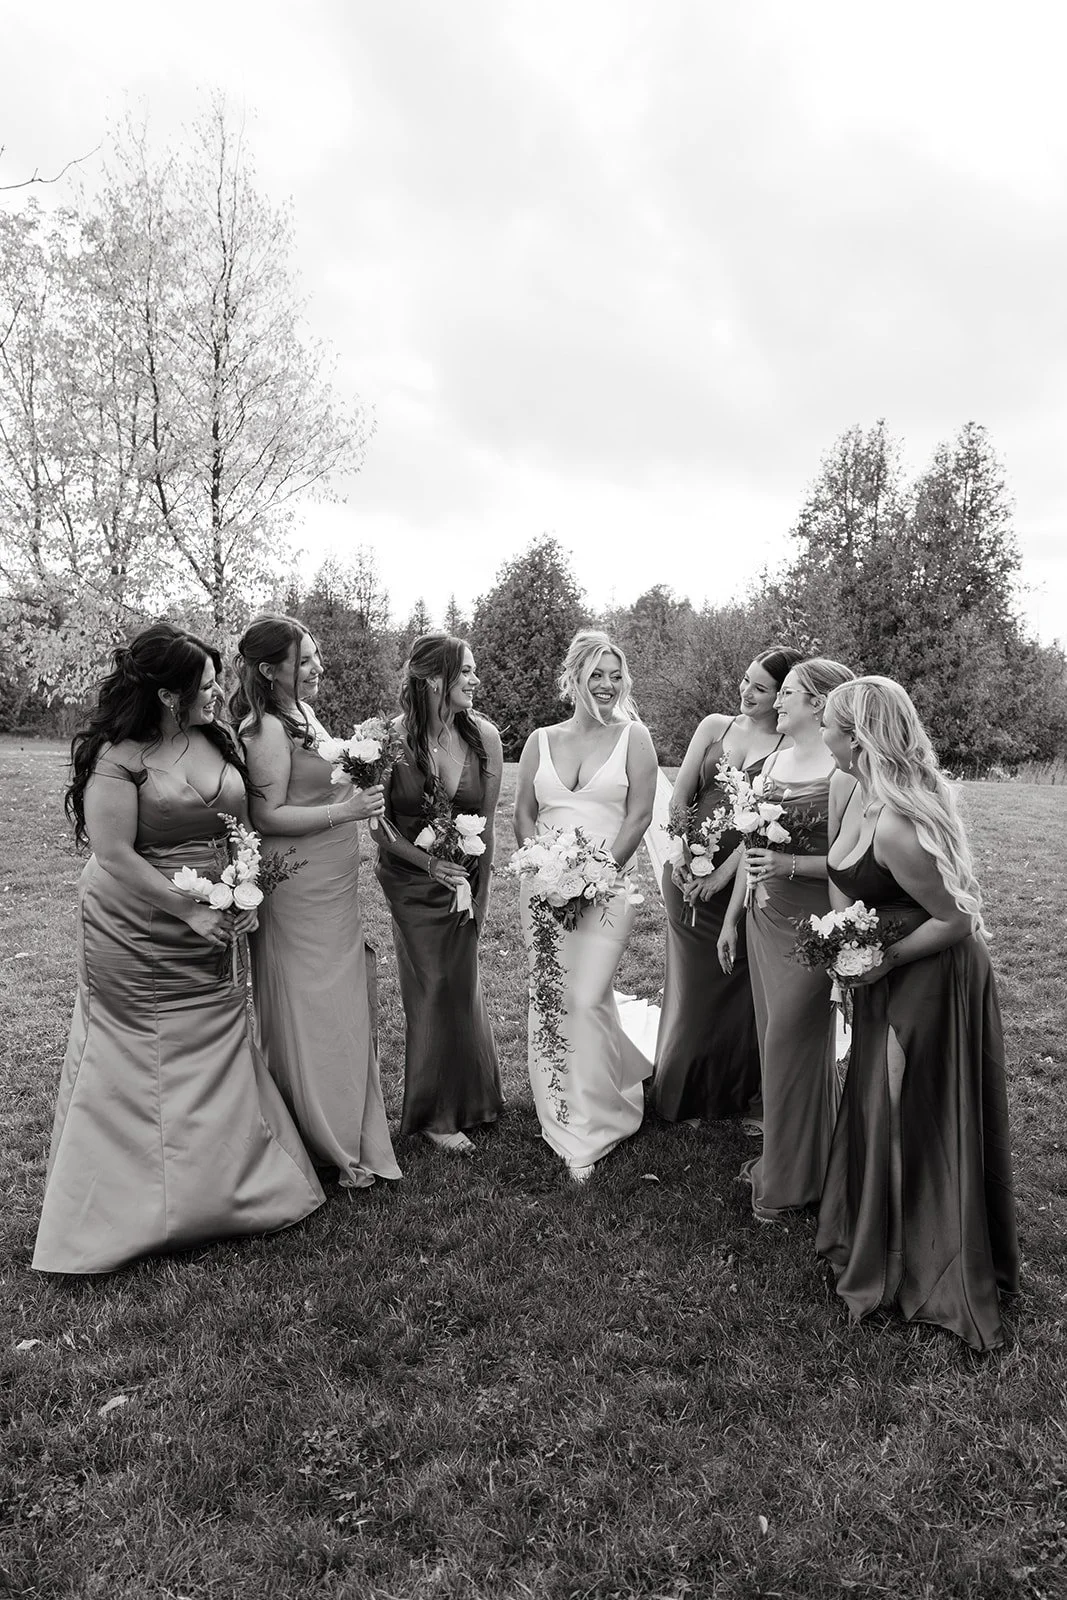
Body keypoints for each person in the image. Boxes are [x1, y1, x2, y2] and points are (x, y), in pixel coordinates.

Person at [33, 624, 325, 1274]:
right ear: (167, 694)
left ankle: (232, 1193)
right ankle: (126, 1213)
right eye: (205, 683)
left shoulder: (213, 738)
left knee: (219, 1035)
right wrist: (187, 912)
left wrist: (244, 893)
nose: (218, 691)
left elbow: (242, 827)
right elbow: (112, 855)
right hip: (135, 923)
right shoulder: (121, 756)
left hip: (216, 909)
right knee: (138, 1054)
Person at [816, 677, 1019, 1350]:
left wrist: (884, 960)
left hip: (931, 969)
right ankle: (886, 1236)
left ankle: (927, 1261)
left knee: (915, 1104)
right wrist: (844, 953)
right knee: (882, 1100)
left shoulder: (899, 820)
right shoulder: (858, 794)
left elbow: (957, 918)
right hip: (891, 964)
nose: (820, 736)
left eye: (827, 726)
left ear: (856, 737)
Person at [232, 615, 401, 1193]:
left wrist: (360, 778)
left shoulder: (301, 715)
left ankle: (347, 1120)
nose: (318, 668)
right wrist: (345, 812)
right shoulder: (264, 730)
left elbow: (319, 781)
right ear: (268, 669)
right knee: (312, 1008)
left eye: (315, 657)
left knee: (343, 1001)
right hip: (296, 889)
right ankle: (321, 1133)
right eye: (304, 660)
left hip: (334, 885)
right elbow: (266, 815)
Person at [514, 630, 658, 1180]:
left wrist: (595, 877)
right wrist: (541, 868)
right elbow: (524, 812)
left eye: (615, 674)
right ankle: (563, 1118)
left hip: (608, 889)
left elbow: (639, 816)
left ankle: (604, 1116)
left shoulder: (633, 737)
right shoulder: (540, 740)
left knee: (587, 995)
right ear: (573, 677)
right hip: (543, 891)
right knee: (551, 998)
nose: (606, 684)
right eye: (595, 673)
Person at [718, 657, 854, 1222]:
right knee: (773, 1039)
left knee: (791, 1046)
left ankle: (791, 1177)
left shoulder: (843, 771)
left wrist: (789, 863)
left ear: (818, 703)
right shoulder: (772, 759)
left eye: (788, 693)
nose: (776, 701)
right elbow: (751, 854)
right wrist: (731, 917)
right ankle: (804, 1158)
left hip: (813, 926)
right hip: (762, 917)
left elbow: (851, 862)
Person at [652, 646, 803, 1127]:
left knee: (735, 987)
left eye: (760, 688)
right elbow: (681, 794)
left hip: (741, 879)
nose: (746, 692)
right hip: (684, 873)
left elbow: (758, 825)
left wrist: (719, 877)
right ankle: (686, 1088)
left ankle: (733, 1091)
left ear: (782, 695)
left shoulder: (788, 749)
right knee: (691, 985)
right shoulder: (715, 726)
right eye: (745, 680)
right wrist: (681, 855)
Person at [376, 634, 504, 1154]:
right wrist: (430, 864)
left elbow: (489, 824)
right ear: (434, 680)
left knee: (461, 985)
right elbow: (378, 827)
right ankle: (434, 1113)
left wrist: (483, 891)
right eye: (466, 672)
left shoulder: (485, 738)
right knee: (432, 987)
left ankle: (475, 1099)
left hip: (465, 884)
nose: (475, 681)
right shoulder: (392, 739)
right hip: (411, 882)